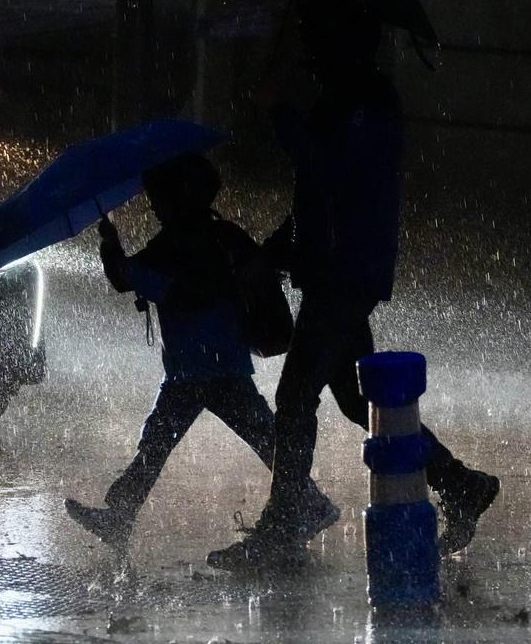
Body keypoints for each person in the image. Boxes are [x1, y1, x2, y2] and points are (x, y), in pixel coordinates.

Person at [207, 0, 500, 570]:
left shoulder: (369, 105)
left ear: (347, 44)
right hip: (332, 272)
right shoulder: (341, 101)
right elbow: (316, 203)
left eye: (316, 41)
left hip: (347, 275)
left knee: (294, 395)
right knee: (357, 399)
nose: (308, 54)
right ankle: (458, 481)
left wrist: (280, 114)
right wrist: (273, 252)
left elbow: (332, 174)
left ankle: (287, 518)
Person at [64, 153, 335, 550]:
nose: (154, 205)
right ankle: (308, 500)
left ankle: (122, 514)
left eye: (158, 197)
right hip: (220, 361)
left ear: (178, 195)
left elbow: (130, 279)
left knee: (164, 439)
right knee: (254, 435)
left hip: (199, 368)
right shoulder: (221, 233)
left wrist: (111, 246)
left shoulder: (179, 240)